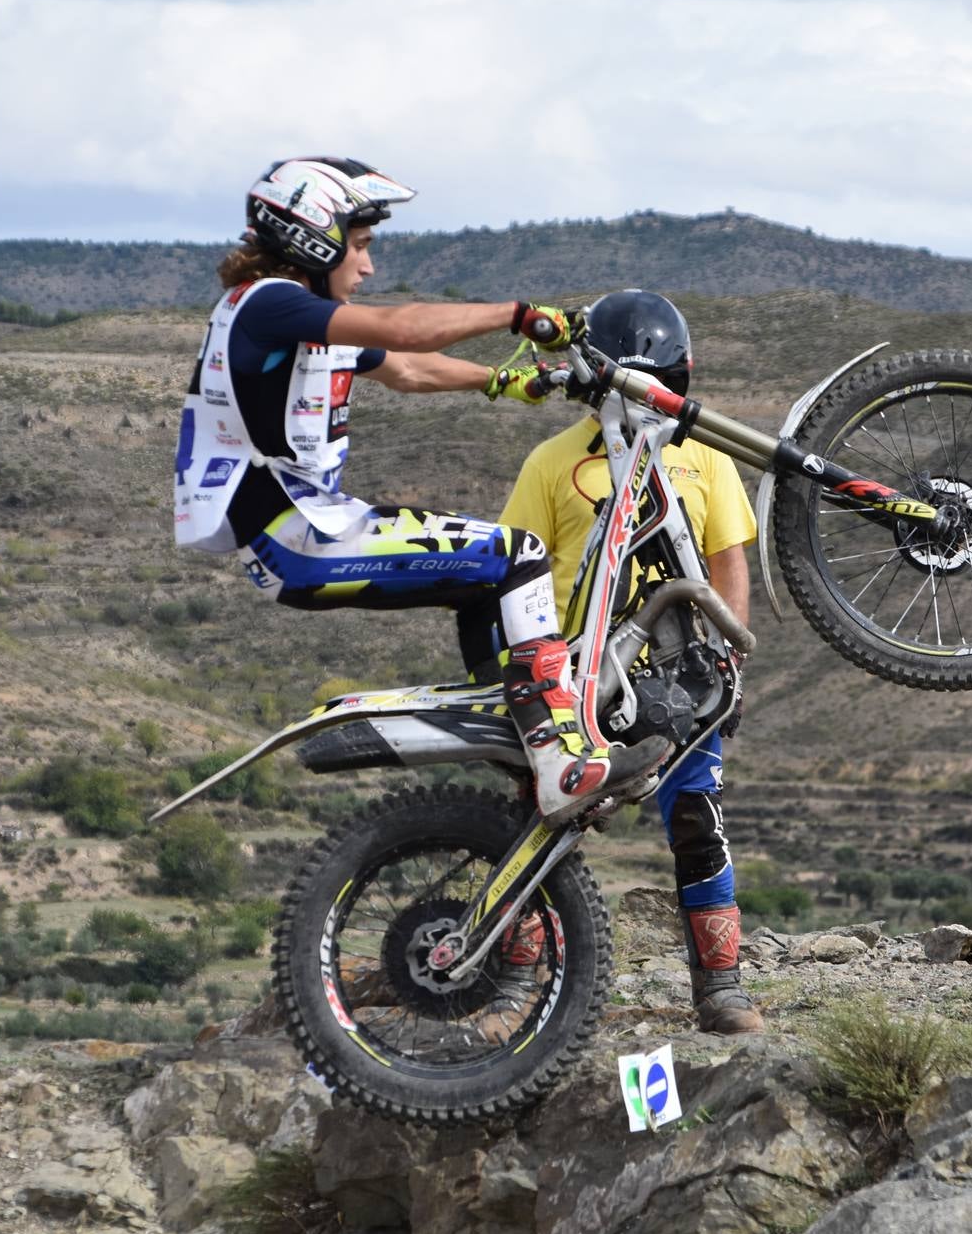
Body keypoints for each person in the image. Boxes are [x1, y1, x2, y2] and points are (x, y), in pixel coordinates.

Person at [173, 157, 663, 828]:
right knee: (519, 556)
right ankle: (560, 760)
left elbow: (404, 366)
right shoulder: (272, 304)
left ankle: (529, 758)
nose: (368, 266)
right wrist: (516, 315)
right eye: (362, 245)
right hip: (302, 538)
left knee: (485, 580)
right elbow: (402, 330)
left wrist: (502, 381)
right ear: (316, 238)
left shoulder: (298, 318)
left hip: (304, 533)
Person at [491, 290, 765, 1034]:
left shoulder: (704, 454)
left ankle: (721, 989)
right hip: (576, 675)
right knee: (536, 820)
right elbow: (515, 570)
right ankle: (514, 987)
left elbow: (726, 560)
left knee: (696, 821)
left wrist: (730, 658)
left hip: (681, 674)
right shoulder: (552, 460)